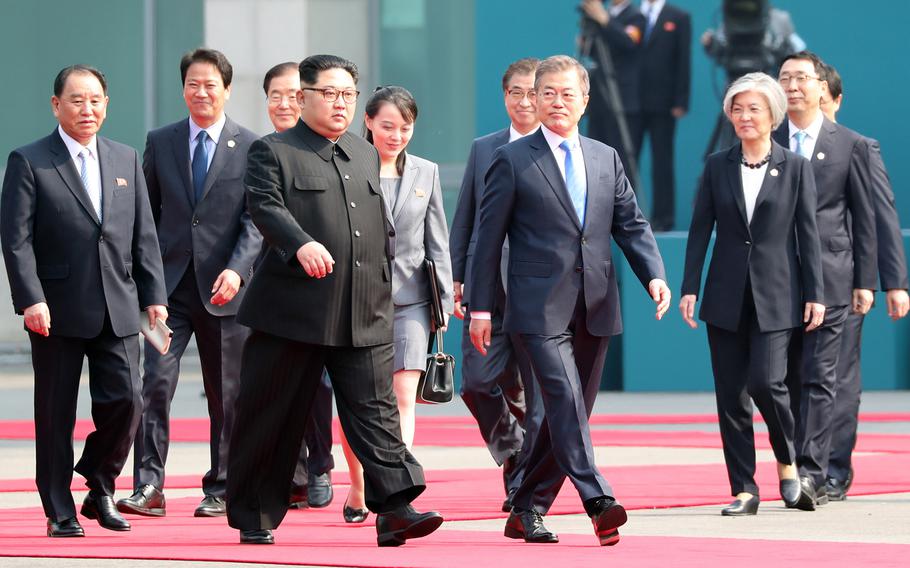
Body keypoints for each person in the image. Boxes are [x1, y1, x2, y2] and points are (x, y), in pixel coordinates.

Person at [225, 54, 442, 546]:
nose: (341, 103)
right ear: (303, 97)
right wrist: (299, 242)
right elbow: (265, 207)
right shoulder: (272, 150)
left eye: (348, 94)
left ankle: (395, 509)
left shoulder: (363, 153)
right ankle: (256, 513)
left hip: (362, 310)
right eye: (330, 93)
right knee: (272, 414)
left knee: (377, 411)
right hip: (292, 313)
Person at [469, 55, 671, 546]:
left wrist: (654, 275)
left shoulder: (605, 157)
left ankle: (527, 507)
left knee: (571, 410)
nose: (557, 102)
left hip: (597, 302)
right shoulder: (512, 159)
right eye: (548, 93)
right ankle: (597, 498)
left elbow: (630, 222)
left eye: (567, 94)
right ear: (534, 100)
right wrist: (480, 307)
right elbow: (487, 238)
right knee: (563, 399)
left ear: (585, 101)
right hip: (536, 306)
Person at [0, 65, 168, 537]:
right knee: (55, 415)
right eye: (76, 100)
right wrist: (30, 298)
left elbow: (144, 235)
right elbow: (16, 241)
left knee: (129, 401)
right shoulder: (30, 160)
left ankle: (98, 484)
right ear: (56, 105)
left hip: (118, 304)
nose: (87, 109)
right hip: (54, 310)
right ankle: (59, 509)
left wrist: (154, 296)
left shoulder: (124, 157)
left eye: (95, 100)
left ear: (106, 104)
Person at [117, 48, 262, 519]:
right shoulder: (161, 142)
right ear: (183, 89)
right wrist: (145, 281)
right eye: (192, 84)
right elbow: (145, 215)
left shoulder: (251, 145)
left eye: (210, 85)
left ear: (226, 89)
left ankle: (221, 486)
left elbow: (256, 221)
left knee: (227, 393)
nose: (201, 93)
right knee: (154, 385)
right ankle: (149, 486)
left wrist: (238, 270)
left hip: (226, 292)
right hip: (169, 292)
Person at [680, 72, 825, 516]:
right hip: (725, 294)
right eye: (737, 108)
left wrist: (815, 292)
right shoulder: (716, 164)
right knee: (731, 396)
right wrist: (690, 287)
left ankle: (787, 462)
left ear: (773, 116)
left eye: (754, 109)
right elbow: (701, 228)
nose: (744, 116)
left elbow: (809, 234)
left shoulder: (796, 167)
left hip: (778, 293)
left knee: (767, 383)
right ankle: (743, 488)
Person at [339, 85, 454, 523]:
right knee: (361, 401)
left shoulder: (426, 172)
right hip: (355, 300)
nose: (396, 135)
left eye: (405, 127)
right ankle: (358, 483)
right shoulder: (346, 168)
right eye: (387, 125)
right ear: (367, 122)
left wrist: (443, 300)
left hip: (410, 302)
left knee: (403, 394)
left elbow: (436, 242)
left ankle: (397, 492)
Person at [772, 51, 877, 510]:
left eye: (801, 78)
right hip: (777, 279)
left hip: (834, 278)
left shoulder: (849, 144)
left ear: (821, 87)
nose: (792, 86)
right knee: (781, 378)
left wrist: (867, 281)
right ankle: (796, 463)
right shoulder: (762, 139)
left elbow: (867, 217)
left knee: (823, 377)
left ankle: (816, 473)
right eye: (784, 78)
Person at [449, 57, 539, 512]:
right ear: (504, 96)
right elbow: (466, 215)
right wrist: (458, 276)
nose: (524, 101)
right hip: (487, 290)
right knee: (477, 383)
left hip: (539, 294)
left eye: (532, 92)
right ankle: (515, 450)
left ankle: (521, 482)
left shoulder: (559, 148)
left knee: (530, 388)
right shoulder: (485, 148)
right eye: (515, 92)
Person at [818, 63, 910, 500]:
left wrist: (893, 281)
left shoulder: (858, 146)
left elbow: (882, 216)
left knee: (837, 377)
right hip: (787, 281)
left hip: (845, 279)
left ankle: (834, 466)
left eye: (819, 94)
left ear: (836, 100)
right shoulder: (773, 143)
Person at [261, 61, 335, 510]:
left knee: (319, 384)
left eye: (293, 94)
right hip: (269, 287)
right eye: (276, 95)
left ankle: (319, 467)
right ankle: (289, 473)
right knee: (273, 385)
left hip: (322, 284)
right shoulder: (261, 149)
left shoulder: (331, 150)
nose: (285, 103)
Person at [636, 0, 691, 231]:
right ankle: (622, 216)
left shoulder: (678, 16)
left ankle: (663, 219)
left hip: (664, 103)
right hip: (631, 101)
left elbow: (683, 59)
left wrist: (681, 100)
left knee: (662, 162)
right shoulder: (631, 13)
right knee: (624, 162)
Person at [579, 0, 646, 172]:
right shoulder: (596, 16)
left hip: (623, 101)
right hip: (599, 98)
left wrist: (605, 19)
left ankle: (622, 199)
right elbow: (590, 51)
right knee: (594, 156)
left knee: (622, 161)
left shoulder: (636, 16)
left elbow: (629, 42)